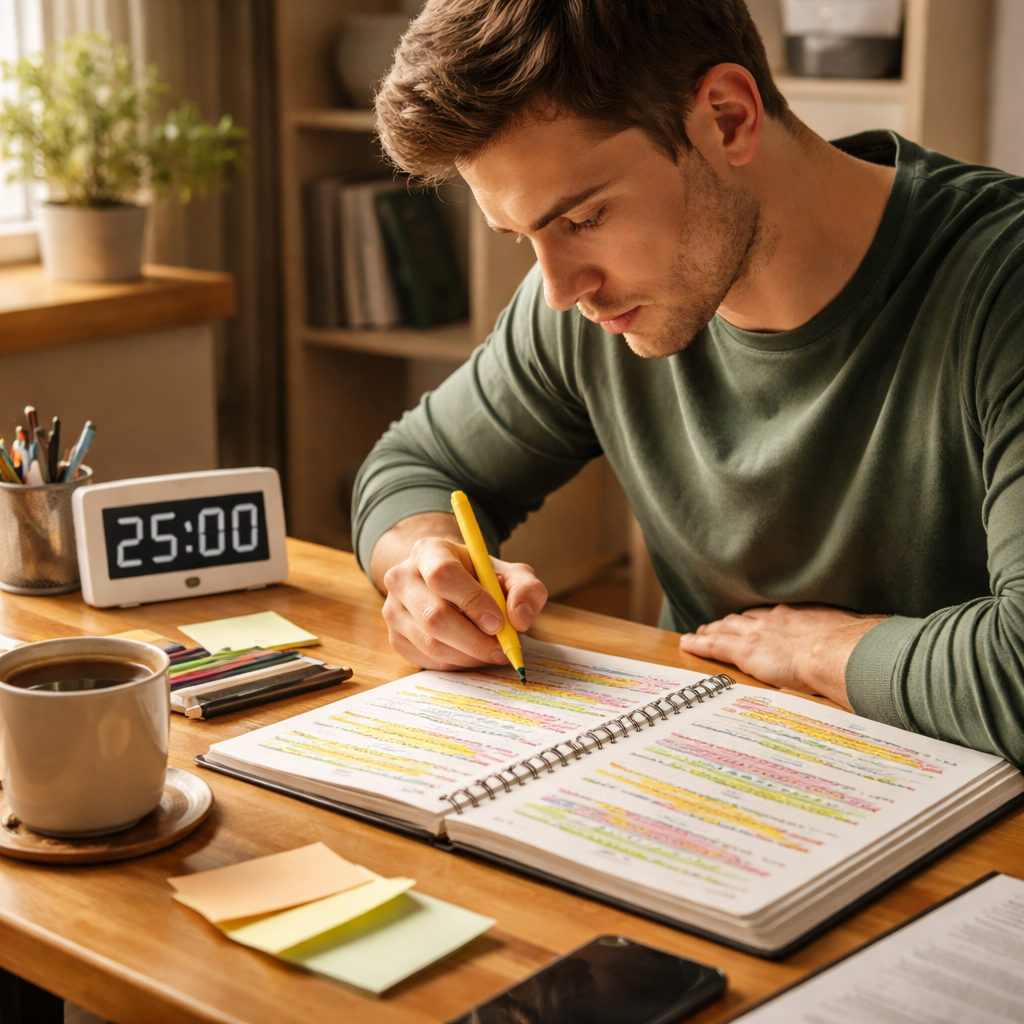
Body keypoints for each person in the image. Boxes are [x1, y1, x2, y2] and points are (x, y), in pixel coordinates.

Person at [352, 0, 1024, 765]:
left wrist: (821, 650)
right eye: (523, 237)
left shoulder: (1003, 286)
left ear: (728, 118)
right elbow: (413, 467)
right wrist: (426, 565)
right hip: (709, 782)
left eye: (584, 218)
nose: (559, 289)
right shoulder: (591, 309)